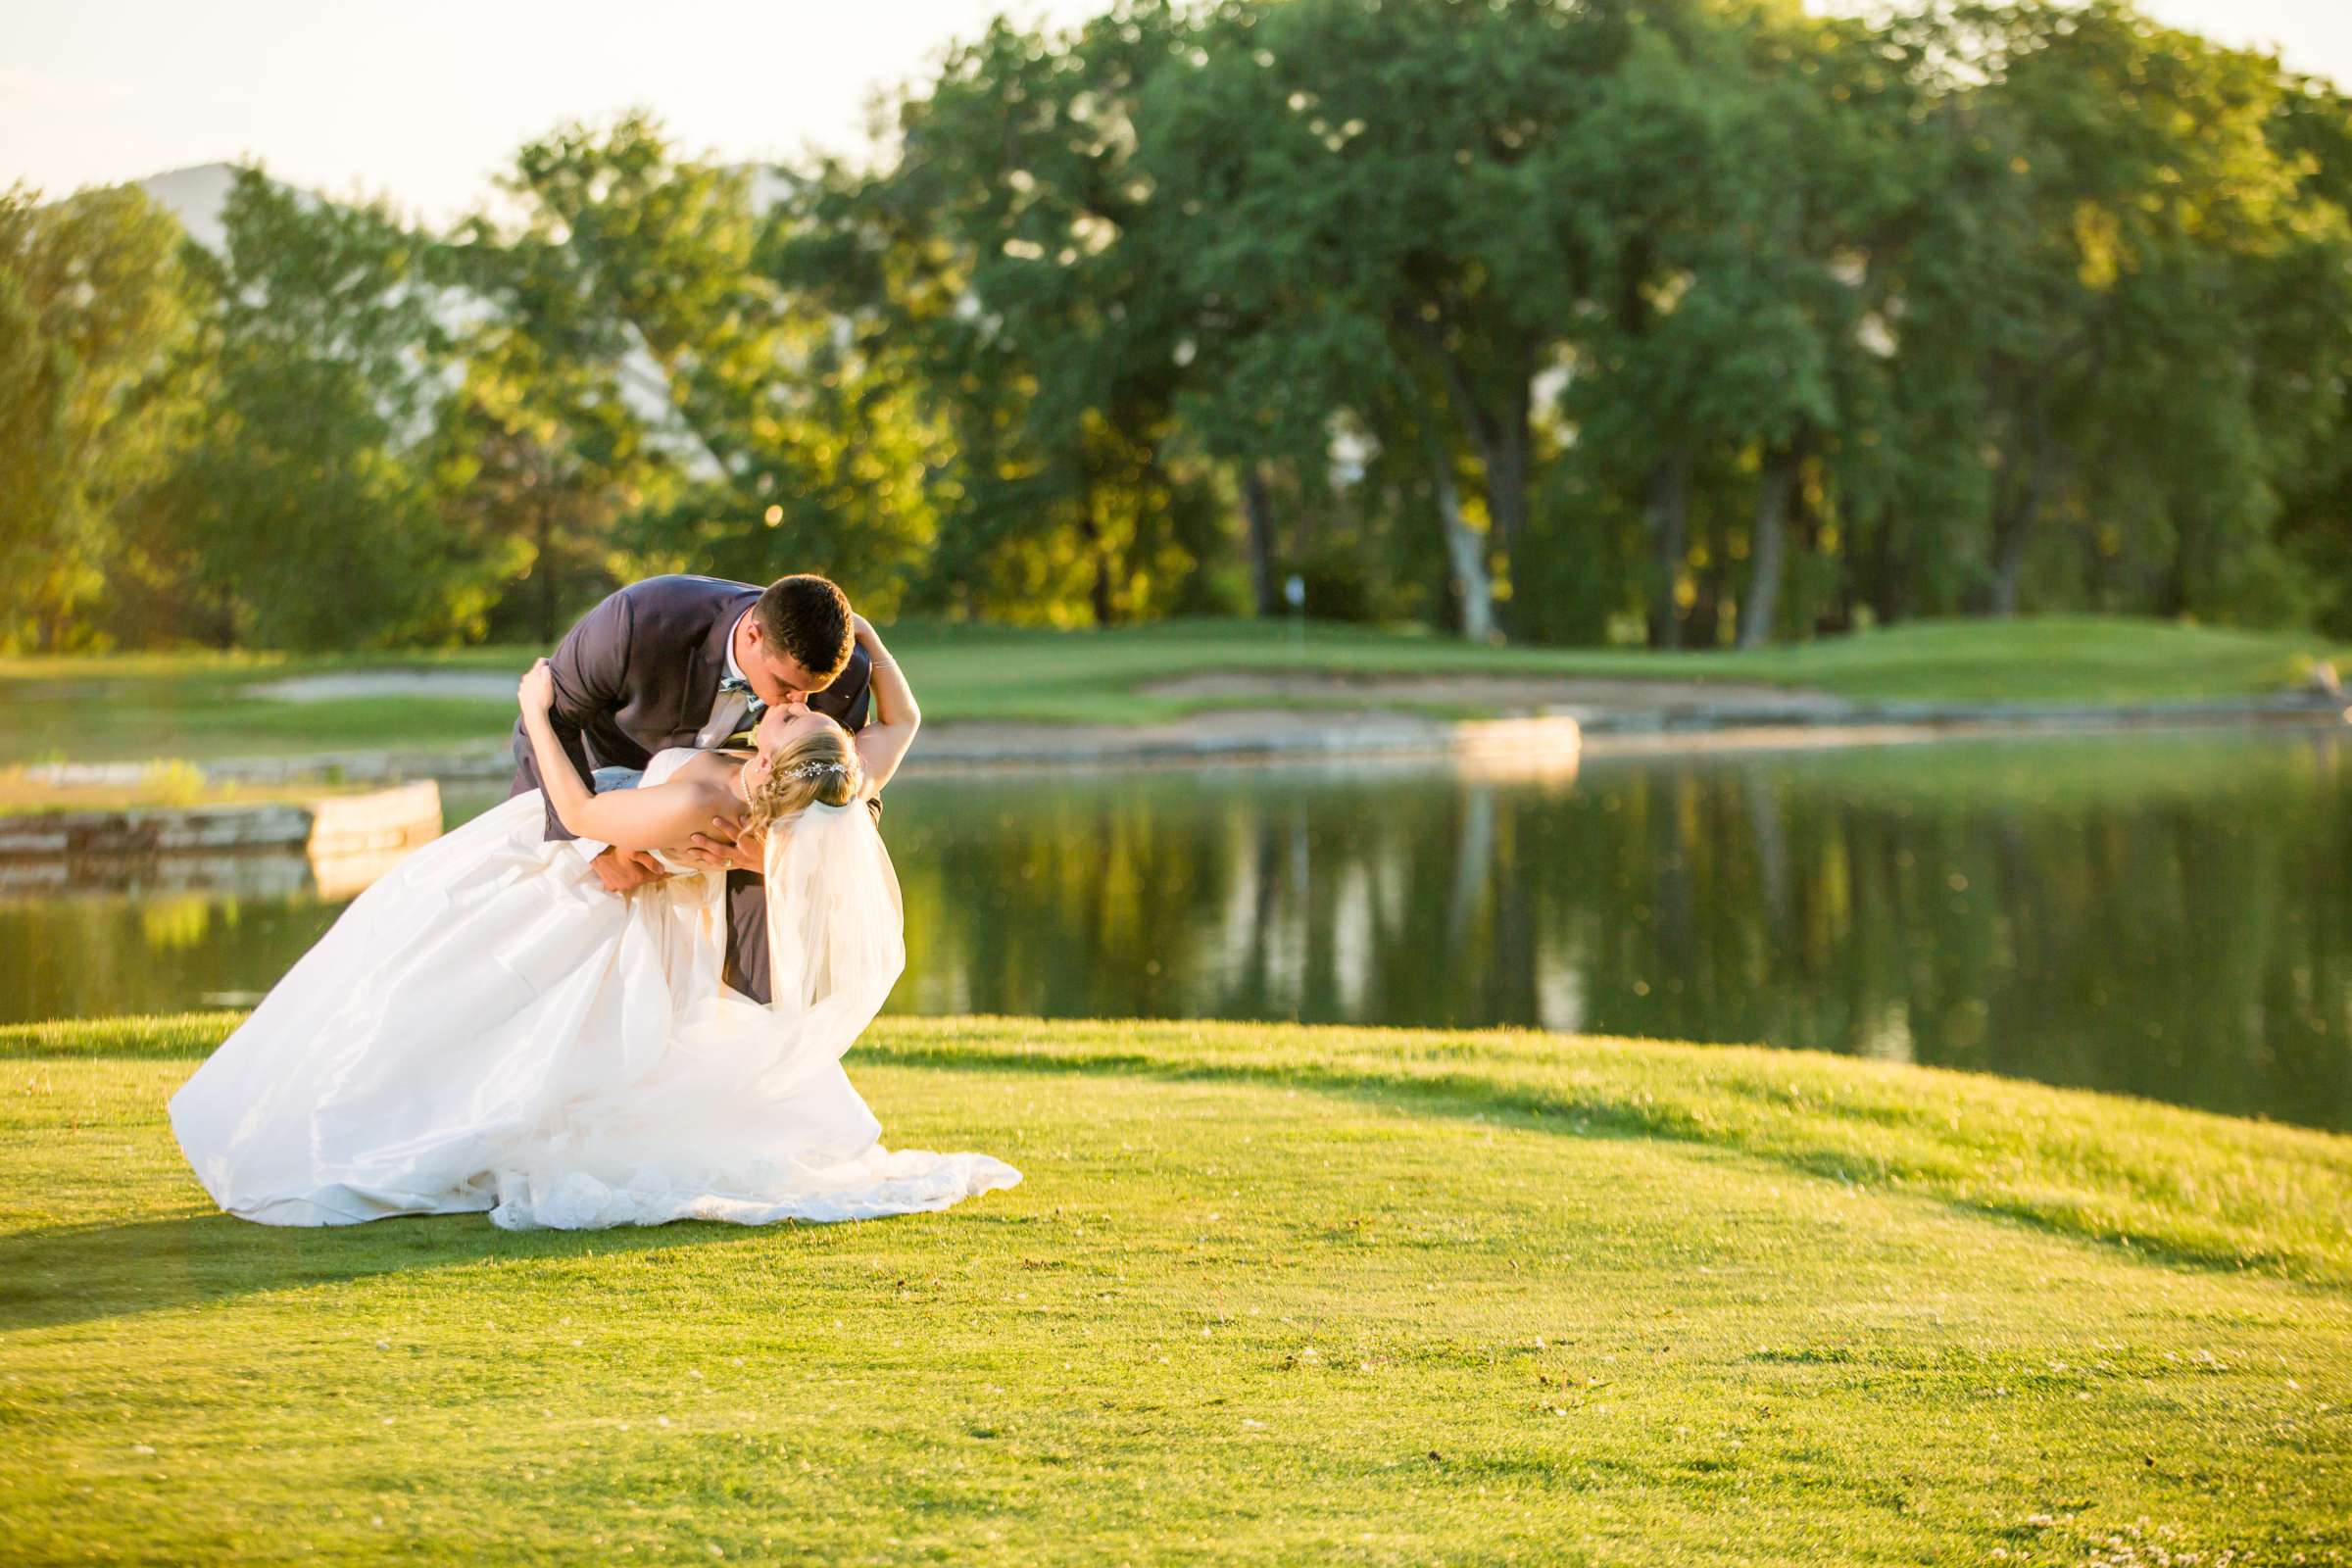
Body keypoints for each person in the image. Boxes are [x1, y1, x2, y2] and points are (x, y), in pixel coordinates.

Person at [168, 613, 1019, 1230]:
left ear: (775, 754)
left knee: (439, 993)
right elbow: (903, 721)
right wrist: (865, 636)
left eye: (796, 710)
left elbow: (576, 812)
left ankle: (379, 1128)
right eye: (797, 694)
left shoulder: (701, 795)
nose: (798, 700)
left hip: (600, 904)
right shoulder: (831, 789)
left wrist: (536, 709)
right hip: (664, 923)